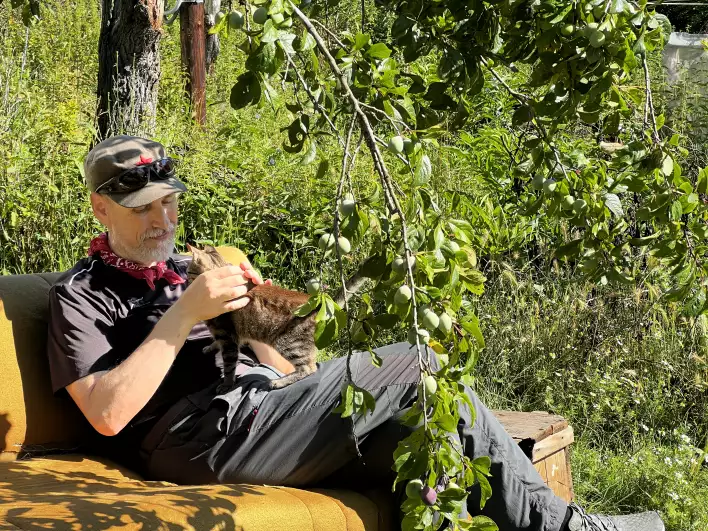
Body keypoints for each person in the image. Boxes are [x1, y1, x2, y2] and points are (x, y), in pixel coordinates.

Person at [47, 136, 664, 531]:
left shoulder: (190, 266)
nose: (163, 218)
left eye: (170, 202)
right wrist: (185, 315)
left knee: (432, 434)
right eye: (144, 207)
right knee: (414, 363)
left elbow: (279, 349)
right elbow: (106, 413)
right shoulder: (80, 295)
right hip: (197, 438)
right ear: (101, 208)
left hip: (261, 408)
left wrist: (268, 321)